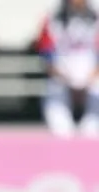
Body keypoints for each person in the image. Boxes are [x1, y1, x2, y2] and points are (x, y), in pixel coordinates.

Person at [38, 0, 99, 137]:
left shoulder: (96, 16)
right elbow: (46, 51)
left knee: (92, 130)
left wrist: (92, 75)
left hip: (92, 77)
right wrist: (60, 74)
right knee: (60, 128)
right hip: (61, 77)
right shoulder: (53, 18)